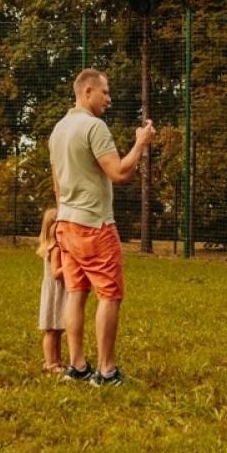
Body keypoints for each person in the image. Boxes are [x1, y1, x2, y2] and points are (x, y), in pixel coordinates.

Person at [49, 67, 155, 386]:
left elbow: (57, 185)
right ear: (87, 92)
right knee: (109, 295)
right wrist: (141, 143)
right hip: (94, 225)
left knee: (75, 293)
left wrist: (62, 218)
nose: (109, 98)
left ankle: (77, 366)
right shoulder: (94, 127)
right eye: (105, 92)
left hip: (66, 223)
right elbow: (120, 173)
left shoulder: (58, 130)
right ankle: (106, 372)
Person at [36, 208, 66, 373]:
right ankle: (50, 363)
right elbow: (56, 273)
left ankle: (57, 361)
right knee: (52, 330)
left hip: (57, 291)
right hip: (55, 291)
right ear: (50, 227)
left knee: (58, 329)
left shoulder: (53, 246)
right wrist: (71, 265)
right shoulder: (55, 249)